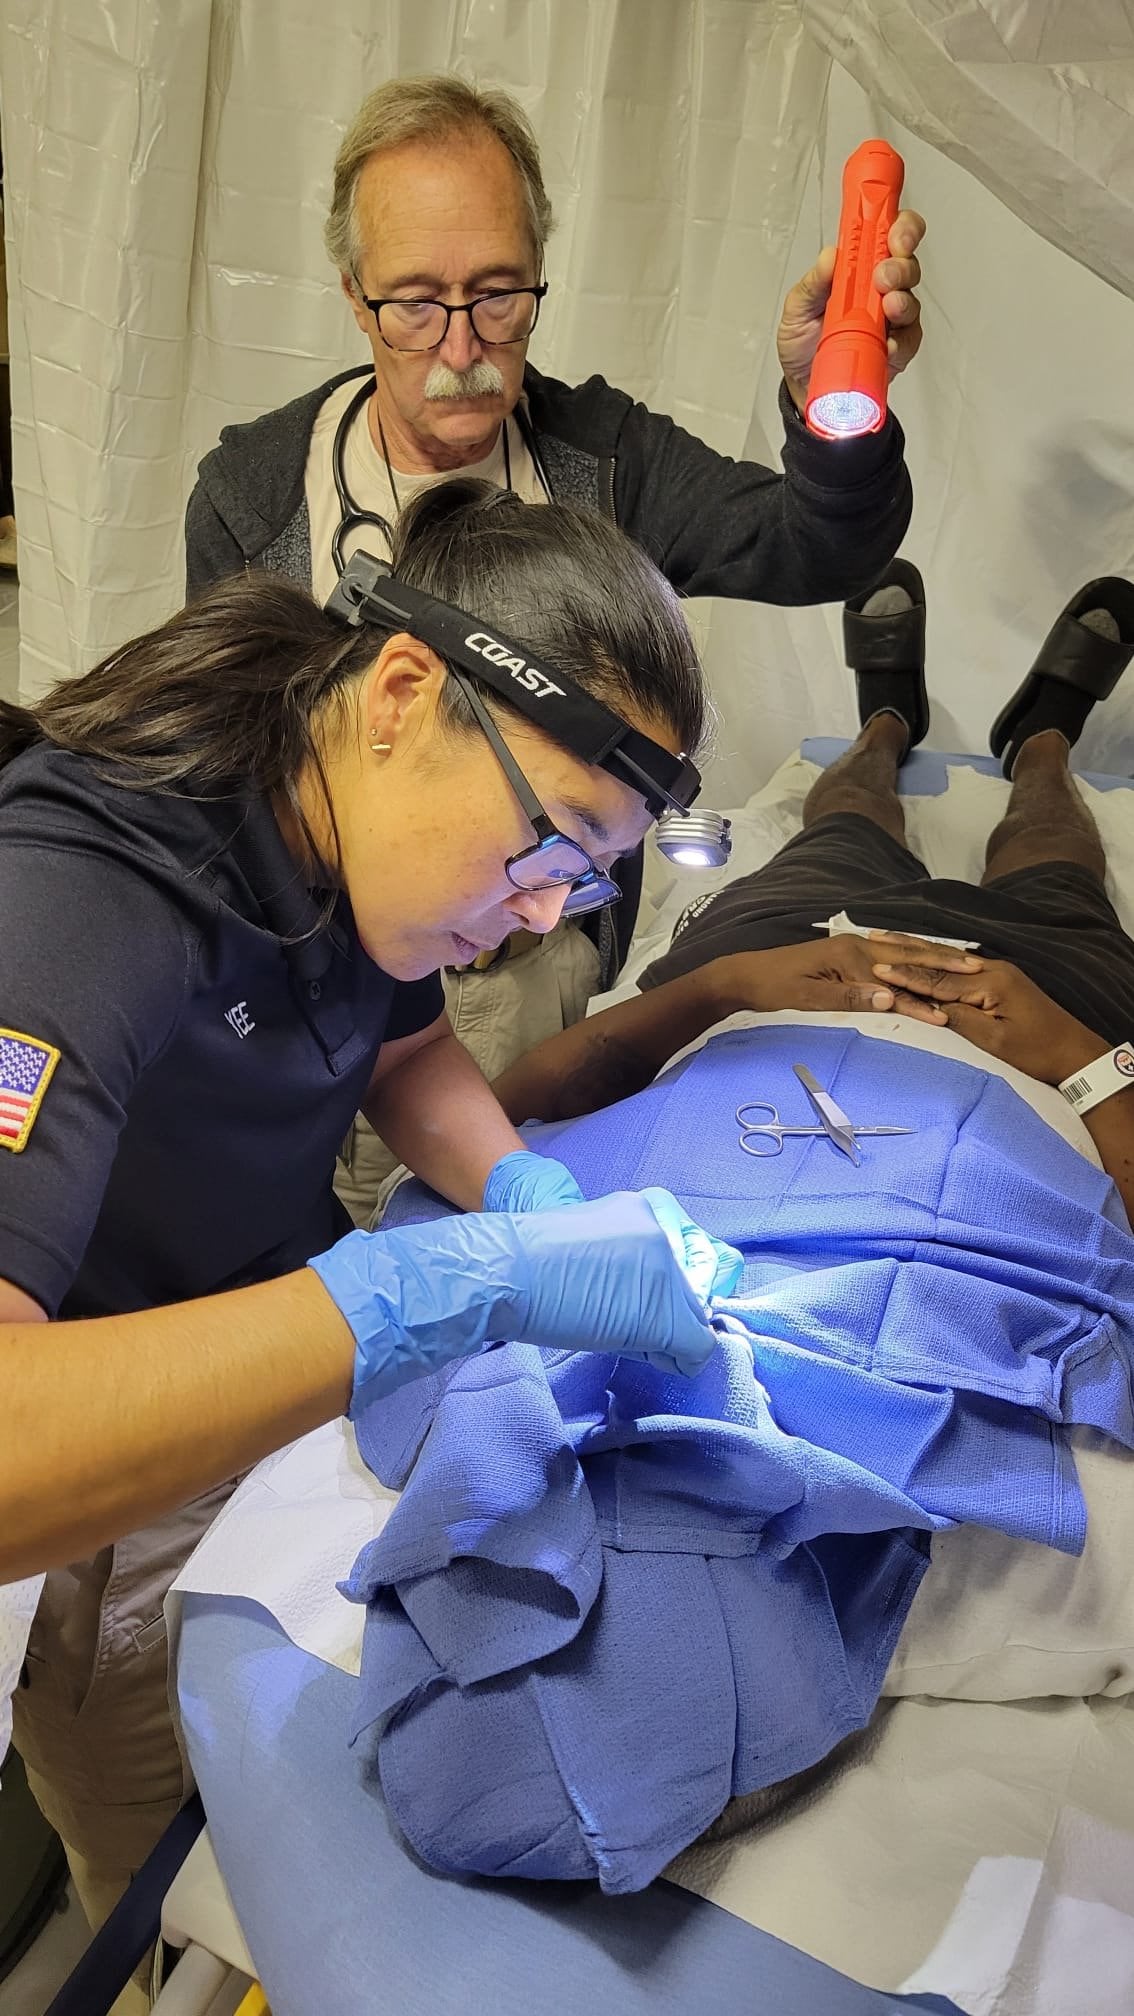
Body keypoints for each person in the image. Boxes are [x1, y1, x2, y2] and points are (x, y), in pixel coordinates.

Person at [0, 483, 751, 1959]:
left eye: (583, 881)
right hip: (91, 1440)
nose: (545, 919)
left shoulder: (337, 814)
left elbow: (400, 1048)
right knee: (168, 1852)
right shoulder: (76, 901)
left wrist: (530, 1192)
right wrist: (436, 1291)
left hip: (247, 1365)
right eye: (544, 848)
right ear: (406, 690)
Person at [184, 72, 926, 1224]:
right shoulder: (254, 493)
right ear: (353, 293)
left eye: (498, 297)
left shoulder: (602, 462)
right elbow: (222, 778)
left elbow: (815, 549)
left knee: (456, 1220)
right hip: (316, 962)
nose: (463, 347)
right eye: (416, 304)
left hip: (514, 964)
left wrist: (831, 403)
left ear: (539, 272)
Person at [493, 564, 1134, 1225]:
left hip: (776, 956)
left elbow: (504, 1115)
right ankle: (1044, 745)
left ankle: (885, 725)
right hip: (1053, 1000)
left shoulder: (565, 1270)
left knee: (846, 822)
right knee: (1053, 858)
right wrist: (1084, 1060)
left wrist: (722, 985)